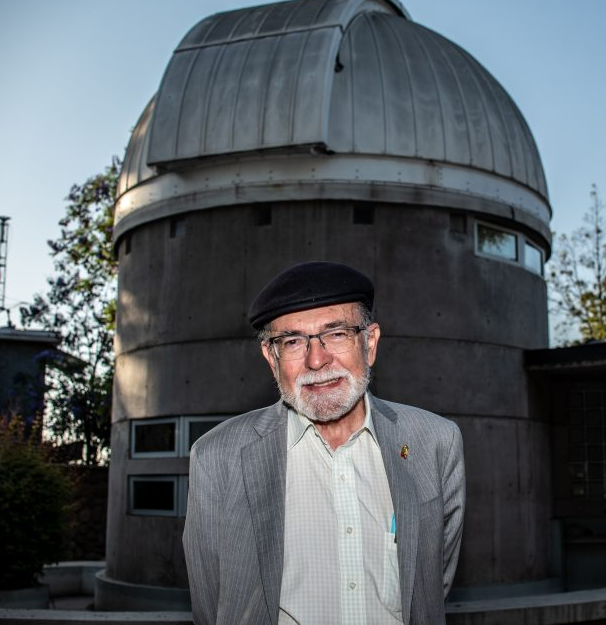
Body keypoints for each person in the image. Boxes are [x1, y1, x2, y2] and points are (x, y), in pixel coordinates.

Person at [183, 261, 466, 625]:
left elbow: (430, 589)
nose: (317, 360)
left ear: (370, 343)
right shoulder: (218, 456)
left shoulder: (435, 442)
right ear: (272, 358)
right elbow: (212, 606)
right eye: (293, 341)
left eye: (337, 334)